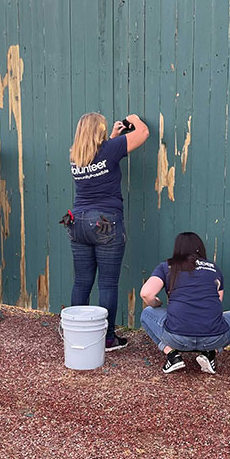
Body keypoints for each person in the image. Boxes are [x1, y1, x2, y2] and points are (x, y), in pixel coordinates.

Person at [68, 112, 149, 351]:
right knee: (107, 284)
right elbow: (143, 133)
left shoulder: (76, 155)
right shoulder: (111, 149)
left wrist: (114, 135)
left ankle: (76, 334)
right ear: (99, 130)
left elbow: (99, 157)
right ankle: (107, 339)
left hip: (76, 221)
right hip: (104, 220)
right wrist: (134, 119)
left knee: (81, 282)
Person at [139, 232, 230, 375]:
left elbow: (146, 293)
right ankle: (210, 354)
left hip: (177, 337)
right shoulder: (213, 268)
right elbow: (217, 302)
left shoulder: (167, 266)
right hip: (212, 338)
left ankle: (172, 355)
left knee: (147, 314)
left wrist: (157, 304)